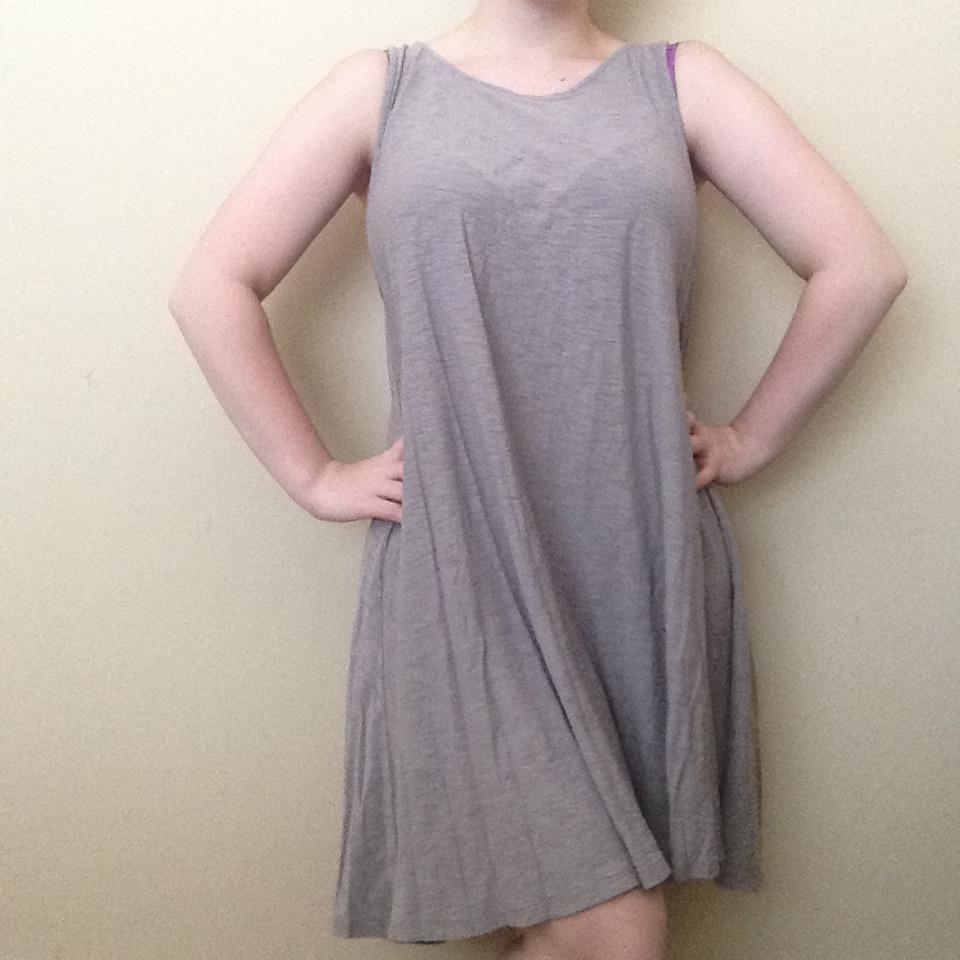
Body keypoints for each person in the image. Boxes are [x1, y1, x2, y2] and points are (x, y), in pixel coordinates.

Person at [167, 3, 908, 958]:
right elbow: (212, 285)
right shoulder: (382, 91)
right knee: (620, 928)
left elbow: (861, 267)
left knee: (592, 920)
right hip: (460, 567)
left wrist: (751, 439)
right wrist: (311, 474)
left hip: (637, 563)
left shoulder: (680, 85)